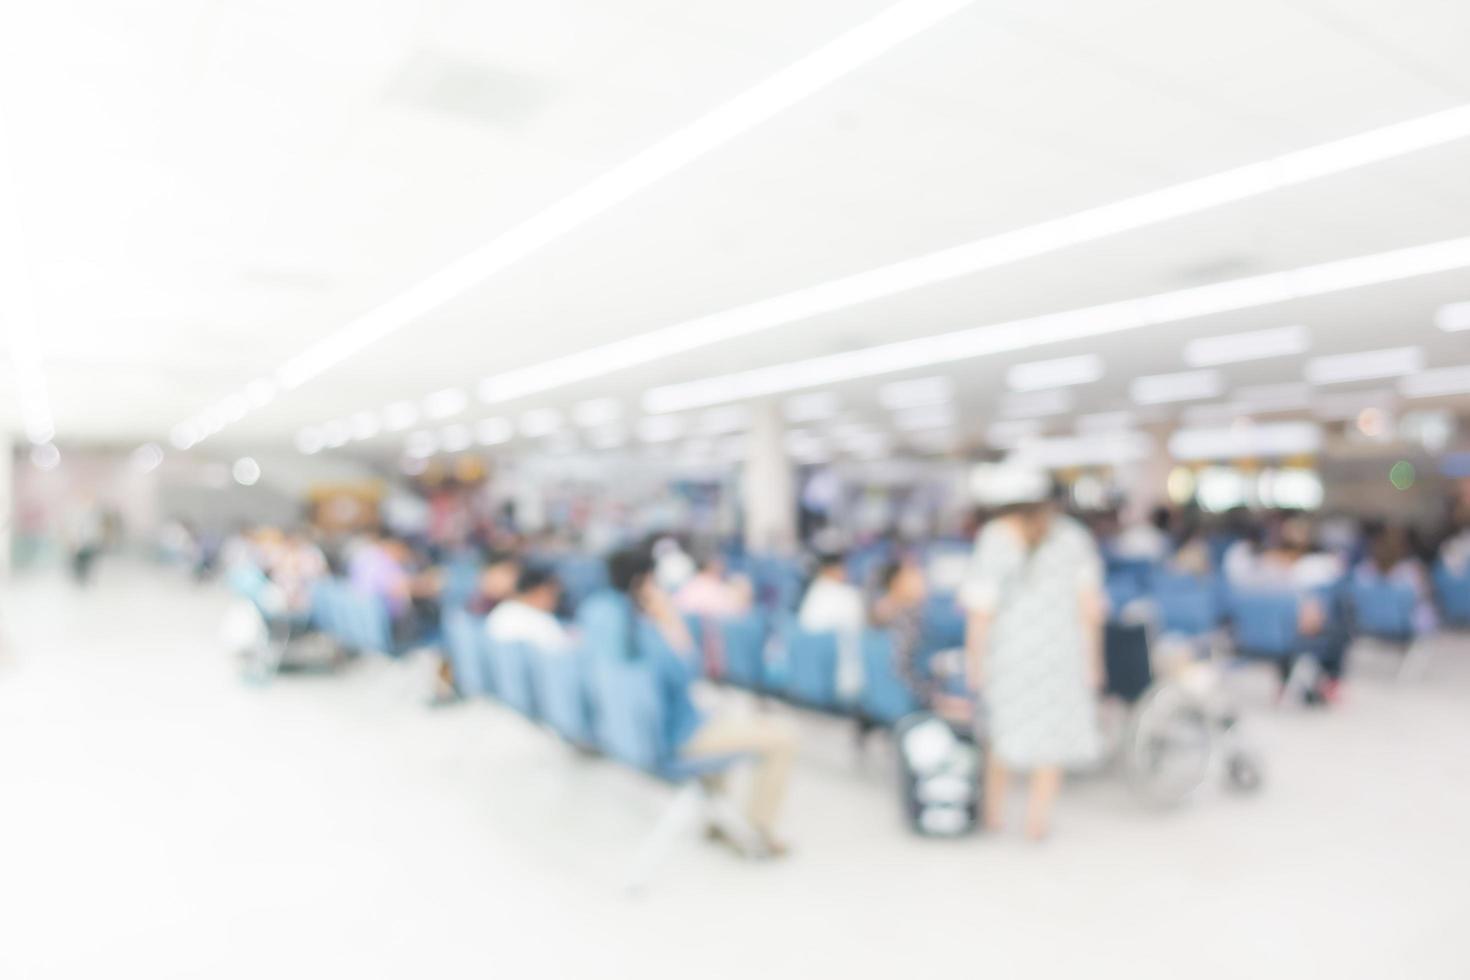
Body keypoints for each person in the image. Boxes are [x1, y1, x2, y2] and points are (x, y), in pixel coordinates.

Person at [584, 548, 797, 857]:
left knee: (720, 718)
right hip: (674, 737)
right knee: (783, 736)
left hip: (633, 733)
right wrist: (668, 616)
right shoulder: (644, 634)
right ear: (644, 583)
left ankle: (717, 819)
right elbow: (688, 671)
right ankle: (758, 830)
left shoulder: (600, 617)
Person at [962, 466, 1105, 841]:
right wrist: (1093, 661)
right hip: (1062, 653)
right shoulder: (1075, 538)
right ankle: (1036, 823)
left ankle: (994, 815)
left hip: (1009, 653)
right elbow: (1089, 608)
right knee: (1050, 742)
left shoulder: (994, 538)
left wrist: (974, 663)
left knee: (1003, 734)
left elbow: (980, 611)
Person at [798, 551, 866, 702]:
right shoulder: (847, 596)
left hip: (808, 679)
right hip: (841, 680)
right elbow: (860, 634)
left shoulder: (813, 593)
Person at [486, 566, 572, 652]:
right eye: (554, 594)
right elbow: (562, 654)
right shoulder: (540, 619)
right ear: (540, 591)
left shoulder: (501, 610)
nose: (556, 601)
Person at [674, 553, 752, 619]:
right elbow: (736, 611)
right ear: (711, 568)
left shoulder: (689, 584)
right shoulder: (711, 588)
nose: (722, 571)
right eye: (719, 568)